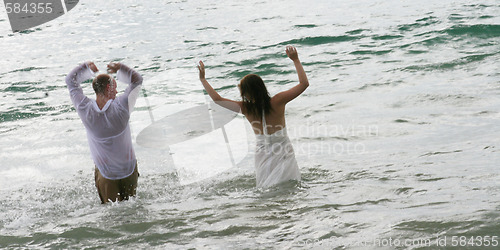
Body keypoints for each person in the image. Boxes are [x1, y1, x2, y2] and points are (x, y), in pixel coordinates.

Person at [197, 46, 309, 187]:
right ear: (262, 87)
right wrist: (296, 60)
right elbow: (304, 84)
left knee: (266, 186)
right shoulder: (278, 100)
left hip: (262, 152)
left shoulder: (246, 108)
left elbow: (217, 100)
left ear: (246, 93)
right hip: (282, 148)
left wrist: (203, 80)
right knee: (288, 183)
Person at [65, 61, 143, 203]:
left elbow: (70, 81)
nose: (117, 91)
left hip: (105, 173)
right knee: (131, 211)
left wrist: (86, 67)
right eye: (115, 88)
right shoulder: (122, 107)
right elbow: (137, 80)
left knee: (111, 214)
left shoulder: (85, 109)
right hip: (128, 169)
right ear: (109, 87)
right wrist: (121, 68)